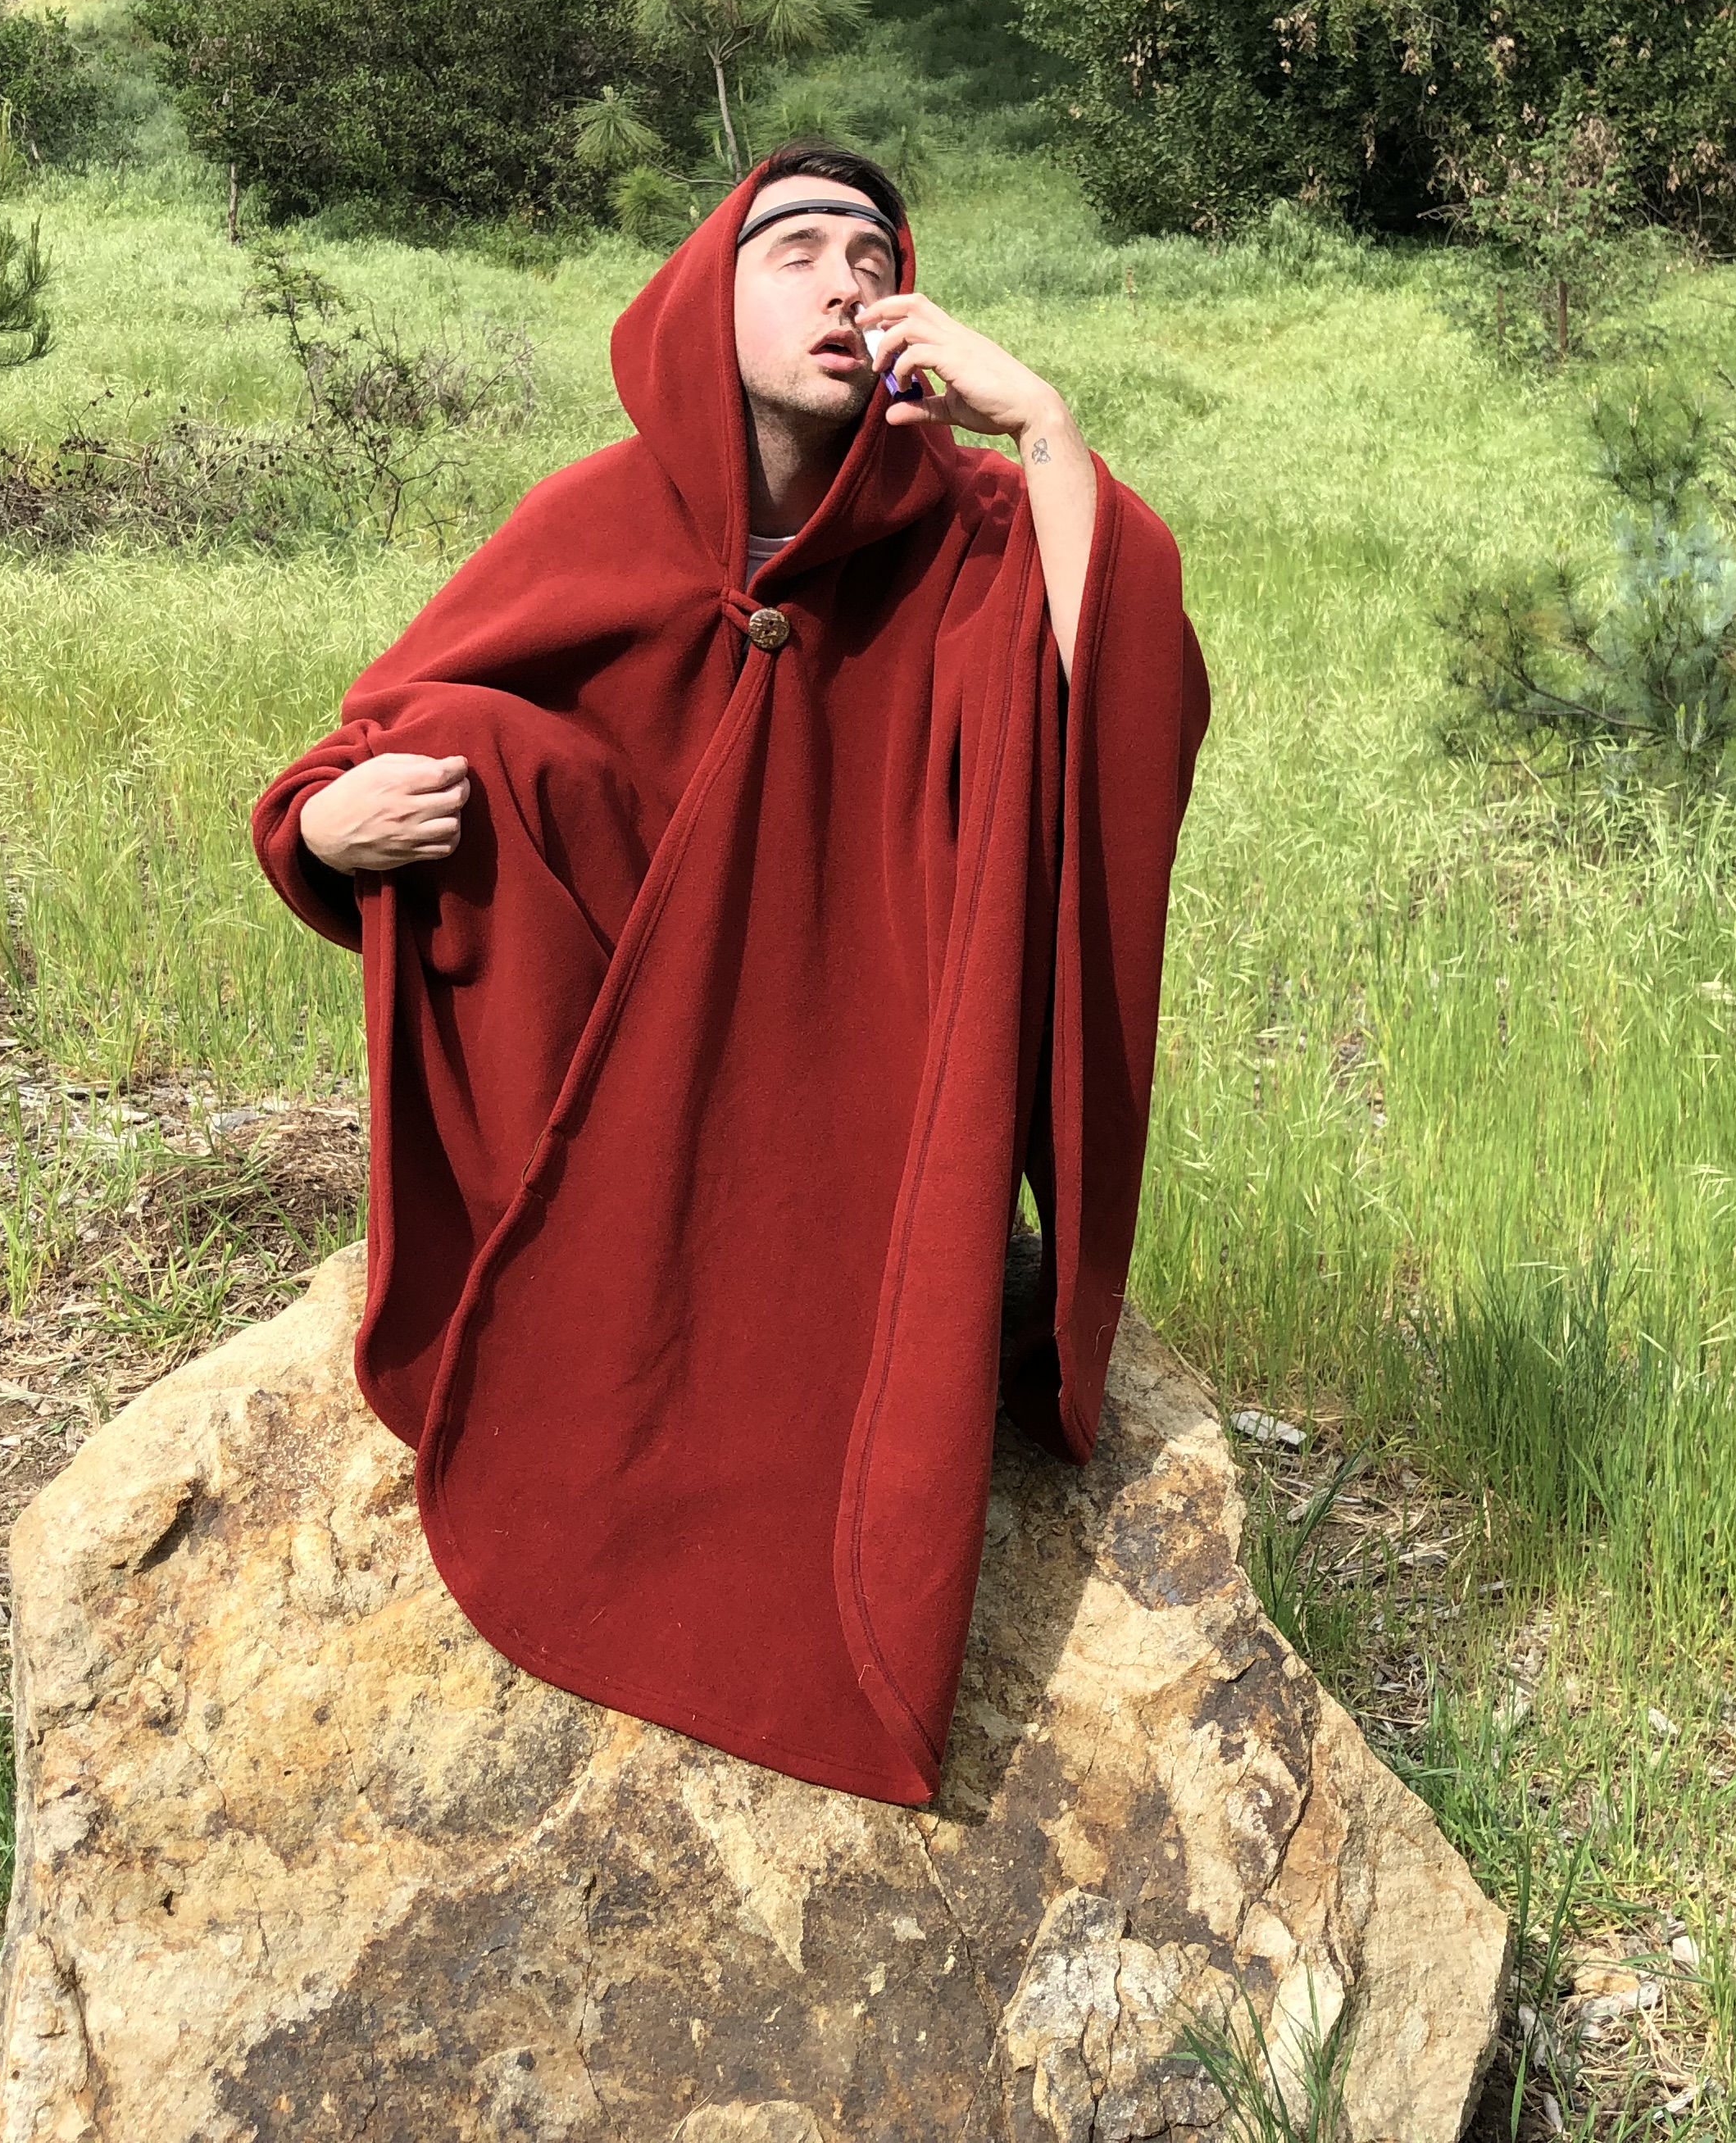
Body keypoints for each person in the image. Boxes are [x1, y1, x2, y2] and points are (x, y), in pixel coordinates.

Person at [251, 143, 1207, 1805]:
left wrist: (1044, 430)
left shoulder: (974, 528)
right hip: (626, 1055)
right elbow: (379, 723)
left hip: (865, 1069)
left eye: (873, 255)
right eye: (798, 252)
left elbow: (1117, 705)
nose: (845, 281)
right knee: (477, 746)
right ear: (710, 293)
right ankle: (549, 1255)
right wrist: (326, 826)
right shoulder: (601, 515)